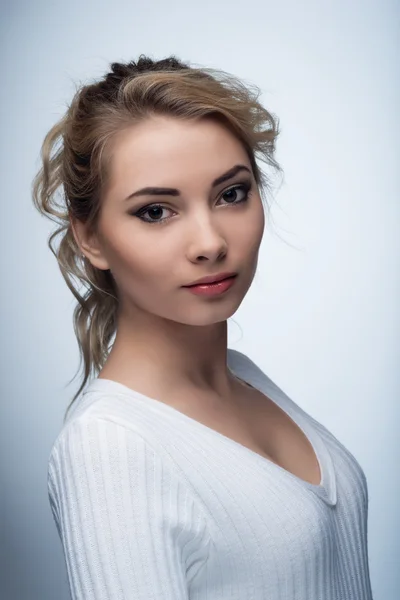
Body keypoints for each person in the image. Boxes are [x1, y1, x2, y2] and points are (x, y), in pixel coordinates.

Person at [32, 55, 374, 599]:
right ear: (90, 238)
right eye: (155, 212)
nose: (211, 242)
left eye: (231, 194)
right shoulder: (110, 447)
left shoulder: (244, 375)